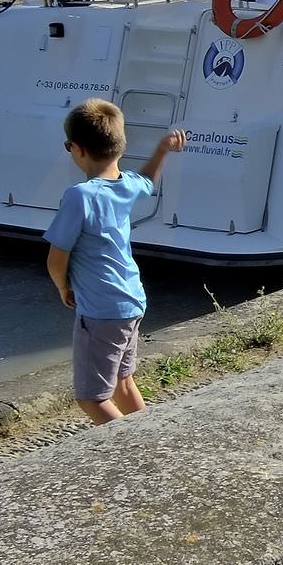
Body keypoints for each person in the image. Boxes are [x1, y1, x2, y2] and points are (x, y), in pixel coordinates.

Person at [44, 100, 185, 426]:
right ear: (120, 146)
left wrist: (64, 287)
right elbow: (148, 181)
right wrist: (162, 149)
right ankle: (150, 441)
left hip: (101, 310)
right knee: (122, 382)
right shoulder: (128, 185)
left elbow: (56, 258)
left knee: (91, 397)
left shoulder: (81, 196)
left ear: (76, 149)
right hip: (131, 301)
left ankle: (132, 452)